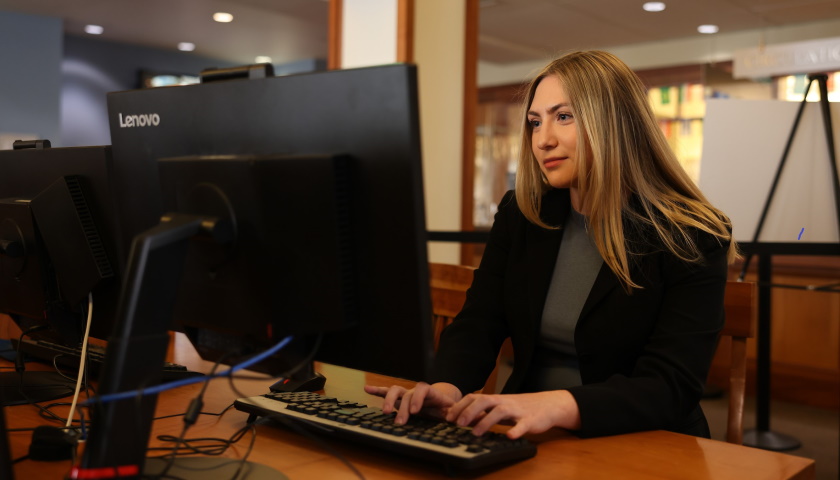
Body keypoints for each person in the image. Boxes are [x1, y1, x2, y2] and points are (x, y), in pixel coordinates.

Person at [365, 50, 737, 440]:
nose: (543, 140)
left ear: (615, 123)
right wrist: (445, 389)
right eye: (534, 122)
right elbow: (480, 321)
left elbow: (670, 385)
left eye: (564, 117)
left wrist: (556, 404)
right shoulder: (522, 213)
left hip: (641, 439)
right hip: (525, 431)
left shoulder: (693, 234)